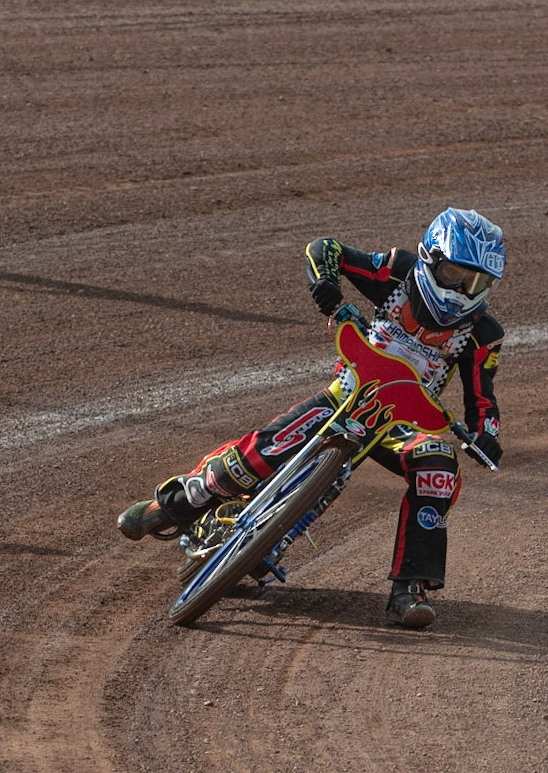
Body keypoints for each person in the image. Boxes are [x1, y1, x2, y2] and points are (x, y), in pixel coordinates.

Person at [116, 208, 506, 628]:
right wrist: (324, 283)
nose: (464, 290)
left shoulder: (483, 334)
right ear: (429, 258)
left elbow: (482, 398)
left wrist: (487, 434)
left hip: (399, 424)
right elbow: (326, 250)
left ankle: (410, 589)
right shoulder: (397, 273)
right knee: (262, 455)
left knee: (440, 468)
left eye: (477, 282)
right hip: (346, 394)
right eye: (455, 274)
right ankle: (177, 503)